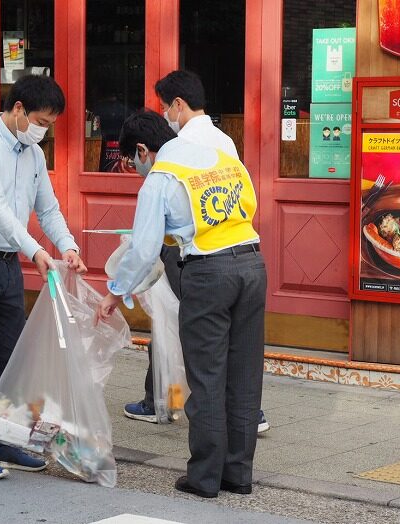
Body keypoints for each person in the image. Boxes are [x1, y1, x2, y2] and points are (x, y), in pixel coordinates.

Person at [97, 110, 267, 498]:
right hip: (253, 266)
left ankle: (204, 478)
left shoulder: (160, 177)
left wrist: (115, 293)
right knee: (243, 375)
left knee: (206, 377)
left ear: (142, 150)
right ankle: (238, 475)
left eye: (131, 160)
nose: (135, 167)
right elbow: (250, 207)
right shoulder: (224, 157)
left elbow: (142, 250)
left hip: (209, 273)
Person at [0, 74, 87, 481]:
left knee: (9, 358)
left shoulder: (33, 154)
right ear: (19, 109)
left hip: (5, 262)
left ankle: (3, 438)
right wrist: (37, 251)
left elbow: (48, 208)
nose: (44, 130)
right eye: (42, 121)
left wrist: (67, 246)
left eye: (51, 124)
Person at [123, 70, 270, 435]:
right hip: (243, 253)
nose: (164, 117)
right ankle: (231, 412)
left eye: (164, 108)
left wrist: (117, 290)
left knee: (188, 327)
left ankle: (178, 407)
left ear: (178, 105)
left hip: (198, 251)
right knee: (233, 343)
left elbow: (164, 209)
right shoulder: (224, 140)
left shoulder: (180, 144)